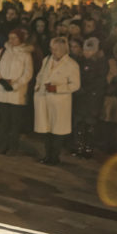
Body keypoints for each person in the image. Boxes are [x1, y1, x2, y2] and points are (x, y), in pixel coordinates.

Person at [34, 37, 81, 165]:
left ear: (63, 50)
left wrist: (57, 88)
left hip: (59, 102)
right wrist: (37, 87)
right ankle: (47, 155)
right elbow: (40, 76)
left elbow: (75, 85)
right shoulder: (47, 60)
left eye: (56, 49)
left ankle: (54, 157)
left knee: (57, 130)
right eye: (52, 49)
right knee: (46, 129)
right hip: (44, 99)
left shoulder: (71, 65)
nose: (53, 52)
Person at [0, 28, 33, 155]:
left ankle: (13, 146)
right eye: (10, 37)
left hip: (16, 93)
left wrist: (15, 85)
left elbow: (27, 73)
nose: (12, 40)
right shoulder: (3, 51)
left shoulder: (25, 54)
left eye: (15, 37)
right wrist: (0, 80)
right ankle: (2, 144)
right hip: (2, 91)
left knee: (15, 123)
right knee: (4, 121)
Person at [71, 37, 107, 158]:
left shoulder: (101, 64)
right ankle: (78, 147)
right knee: (79, 123)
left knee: (90, 124)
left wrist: (86, 90)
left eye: (90, 50)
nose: (87, 53)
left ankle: (88, 148)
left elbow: (99, 82)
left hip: (92, 99)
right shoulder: (80, 62)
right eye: (86, 50)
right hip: (81, 98)